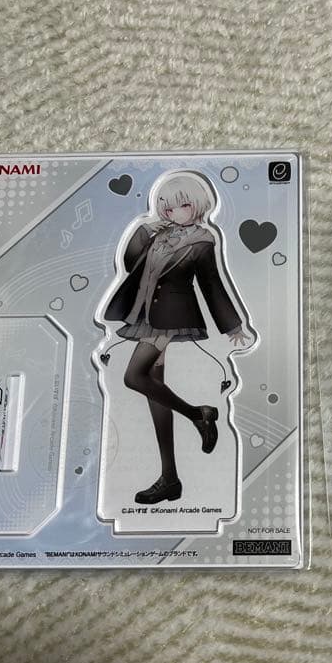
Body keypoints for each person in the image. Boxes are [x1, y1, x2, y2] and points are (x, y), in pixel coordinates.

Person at [103, 171, 250, 504]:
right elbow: (130, 264)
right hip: (144, 314)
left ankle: (199, 414)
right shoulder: (159, 234)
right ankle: (170, 480)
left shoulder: (202, 241)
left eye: (181, 206)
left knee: (133, 376)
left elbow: (212, 284)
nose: (172, 212)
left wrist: (233, 326)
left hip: (170, 318)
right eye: (166, 207)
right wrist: (143, 231)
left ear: (197, 205)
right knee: (154, 389)